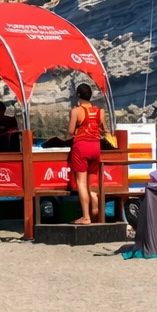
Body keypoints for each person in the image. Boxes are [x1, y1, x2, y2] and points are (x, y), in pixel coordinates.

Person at [66, 83, 104, 224]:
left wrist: (68, 137)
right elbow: (103, 130)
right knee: (89, 181)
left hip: (81, 147)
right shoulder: (100, 111)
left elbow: (70, 132)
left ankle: (86, 217)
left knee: (80, 183)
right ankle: (94, 201)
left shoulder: (76, 111)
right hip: (96, 146)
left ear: (79, 96)